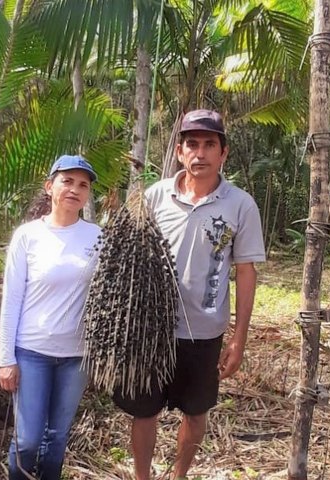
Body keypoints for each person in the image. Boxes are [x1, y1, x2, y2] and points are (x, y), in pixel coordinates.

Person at [113, 109, 266, 479]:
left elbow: (246, 271)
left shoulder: (240, 204)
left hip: (203, 331)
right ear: (180, 152)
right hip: (151, 330)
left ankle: (179, 474)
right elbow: (129, 258)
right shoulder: (156, 196)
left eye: (209, 145)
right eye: (192, 144)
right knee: (144, 411)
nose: (200, 153)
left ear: (223, 153)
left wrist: (239, 338)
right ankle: (142, 477)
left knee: (196, 413)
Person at [0, 154, 101, 480]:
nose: (74, 189)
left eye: (82, 185)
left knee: (56, 438)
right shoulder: (27, 236)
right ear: (49, 187)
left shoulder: (99, 237)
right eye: (67, 181)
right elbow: (11, 299)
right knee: (28, 441)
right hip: (32, 353)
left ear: (87, 195)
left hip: (76, 356)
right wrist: (6, 358)